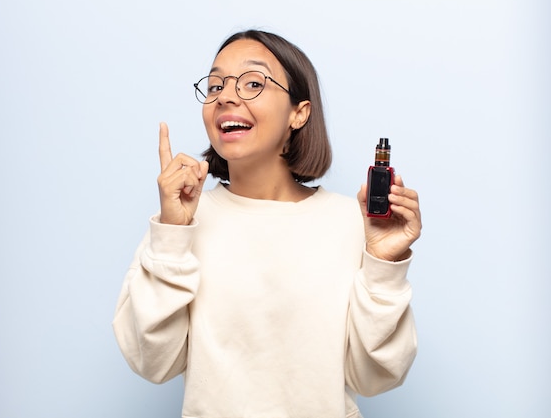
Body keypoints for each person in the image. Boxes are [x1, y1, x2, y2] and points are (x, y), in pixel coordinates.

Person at [113, 29, 422, 418]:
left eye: (253, 83)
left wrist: (384, 266)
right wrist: (172, 236)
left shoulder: (350, 222)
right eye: (214, 86)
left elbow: (377, 377)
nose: (225, 96)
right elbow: (152, 362)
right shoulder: (182, 222)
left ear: (299, 112)